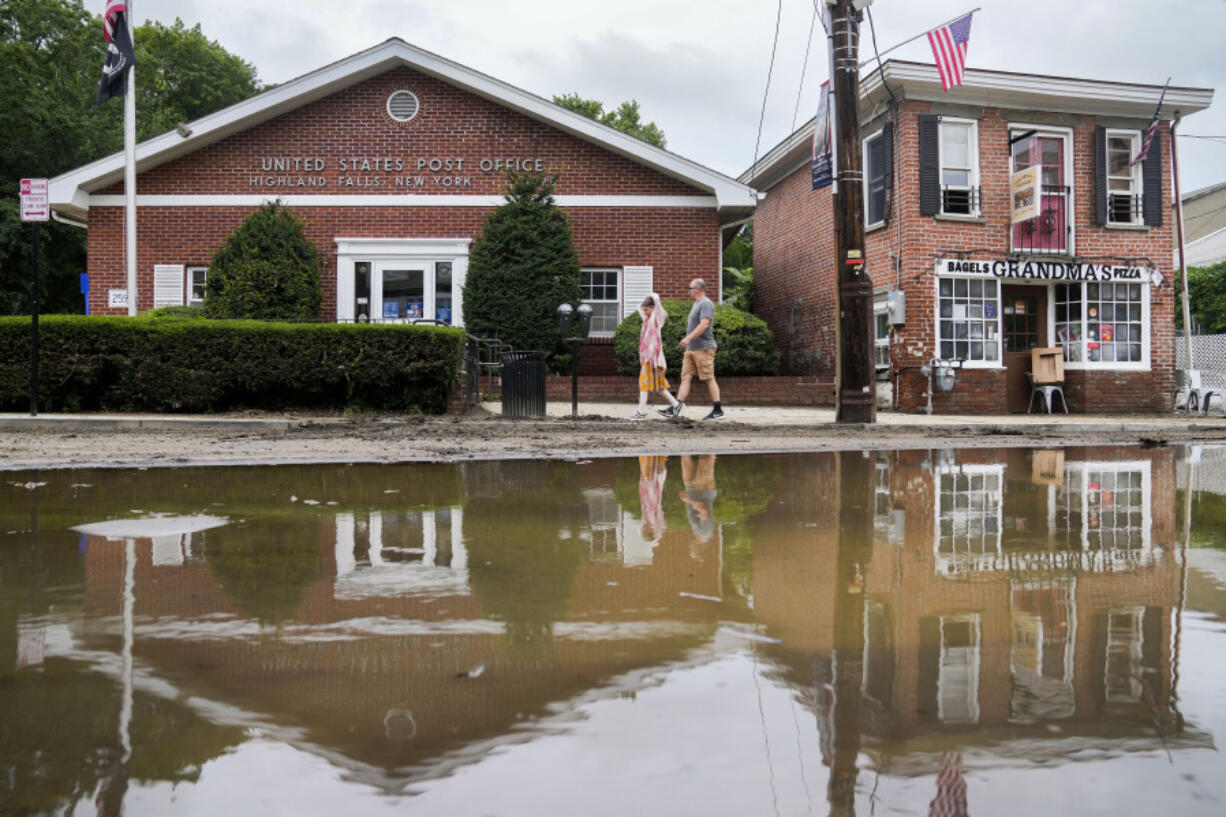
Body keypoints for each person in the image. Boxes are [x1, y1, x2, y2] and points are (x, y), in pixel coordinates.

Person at [660, 278, 723, 421]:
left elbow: (704, 324)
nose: (688, 291)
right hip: (691, 349)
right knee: (686, 377)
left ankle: (718, 410)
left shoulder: (706, 303)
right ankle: (676, 407)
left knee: (708, 378)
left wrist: (687, 338)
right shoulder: (696, 304)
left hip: (704, 348)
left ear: (697, 289)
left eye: (690, 288)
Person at [631, 293, 680, 420]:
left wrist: (652, 297)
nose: (644, 312)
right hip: (648, 358)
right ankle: (676, 405)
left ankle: (641, 412)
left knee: (644, 383)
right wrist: (645, 302)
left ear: (653, 308)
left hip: (653, 358)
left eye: (646, 310)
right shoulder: (647, 320)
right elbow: (638, 307)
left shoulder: (658, 318)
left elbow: (656, 299)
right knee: (659, 387)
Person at [679, 454, 717, 559]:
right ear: (697, 548)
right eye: (692, 549)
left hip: (691, 489)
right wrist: (688, 500)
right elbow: (704, 511)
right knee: (706, 457)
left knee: (685, 456)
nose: (690, 547)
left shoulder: (698, 533)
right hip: (703, 489)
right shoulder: (705, 533)